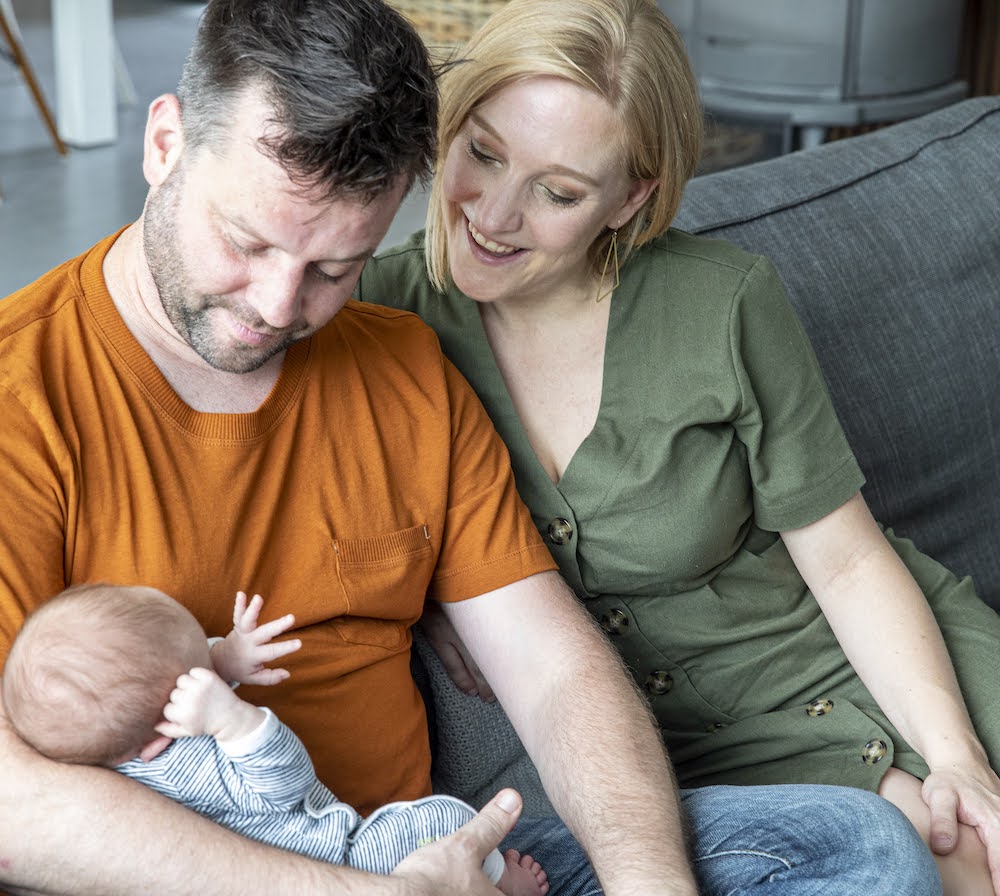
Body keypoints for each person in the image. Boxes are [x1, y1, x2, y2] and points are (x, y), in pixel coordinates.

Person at [0, 0, 941, 894]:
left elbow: (553, 669)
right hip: (212, 875)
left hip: (449, 850)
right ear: (164, 144)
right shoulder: (24, 395)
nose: (279, 308)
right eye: (245, 242)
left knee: (857, 846)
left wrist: (646, 882)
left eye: (335, 267)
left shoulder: (404, 363)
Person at [355, 0, 1000, 894]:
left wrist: (956, 754)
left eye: (559, 191)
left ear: (631, 198)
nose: (494, 214)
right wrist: (433, 599)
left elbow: (848, 562)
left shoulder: (724, 303)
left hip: (870, 657)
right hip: (688, 738)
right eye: (484, 152)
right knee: (940, 861)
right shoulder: (379, 324)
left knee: (977, 836)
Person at [2, 585, 548, 896]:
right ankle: (504, 884)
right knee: (439, 821)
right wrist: (235, 720)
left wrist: (228, 658)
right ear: (169, 729)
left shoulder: (117, 752)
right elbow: (287, 785)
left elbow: (166, 684)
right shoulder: (198, 761)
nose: (213, 664)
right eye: (205, 672)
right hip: (342, 858)